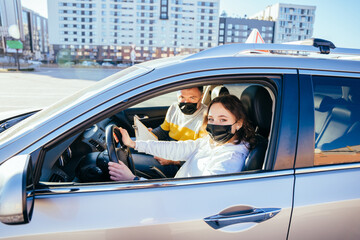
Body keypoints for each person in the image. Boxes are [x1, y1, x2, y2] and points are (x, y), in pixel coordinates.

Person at [109, 94, 256, 181]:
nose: (215, 124)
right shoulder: (212, 142)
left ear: (239, 123)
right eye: (211, 119)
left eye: (223, 120)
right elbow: (178, 148)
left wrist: (133, 180)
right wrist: (134, 144)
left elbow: (193, 196)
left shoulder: (230, 159)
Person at [133, 87, 207, 175]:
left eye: (192, 98)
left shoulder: (207, 117)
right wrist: (149, 134)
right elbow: (163, 130)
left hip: (182, 164)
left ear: (201, 97)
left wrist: (173, 161)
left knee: (132, 162)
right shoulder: (174, 108)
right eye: (182, 97)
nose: (186, 102)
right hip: (166, 149)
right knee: (128, 148)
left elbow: (201, 155)